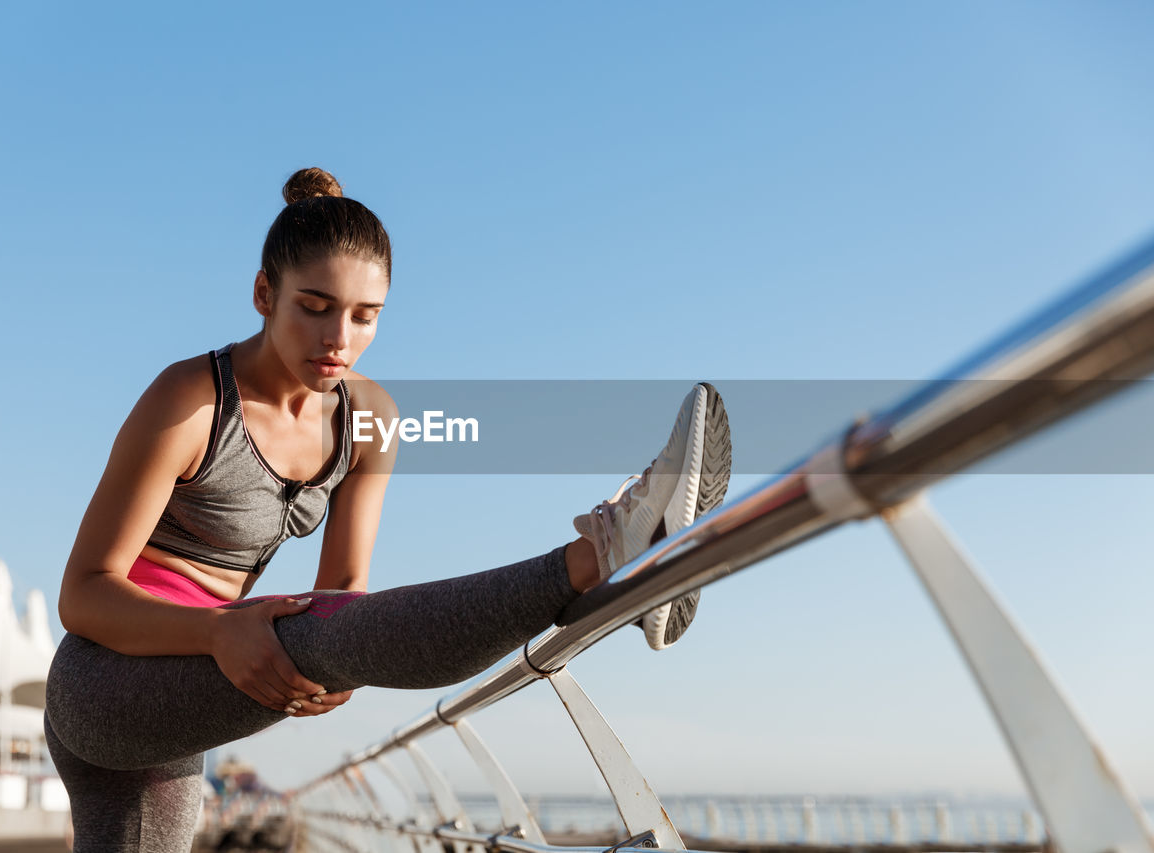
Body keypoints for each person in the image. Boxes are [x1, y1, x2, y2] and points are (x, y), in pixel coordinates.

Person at [44, 167, 731, 852]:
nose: (338, 337)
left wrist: (344, 653)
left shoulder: (369, 417)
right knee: (314, 633)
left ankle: (624, 553)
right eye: (314, 306)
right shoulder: (191, 399)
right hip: (107, 677)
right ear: (264, 293)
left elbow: (343, 592)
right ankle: (607, 551)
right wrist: (223, 630)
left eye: (364, 316)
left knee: (325, 628)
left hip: (206, 682)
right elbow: (83, 595)